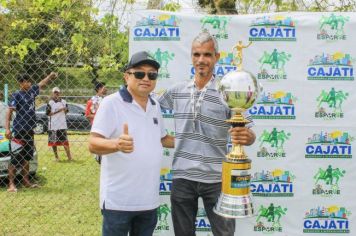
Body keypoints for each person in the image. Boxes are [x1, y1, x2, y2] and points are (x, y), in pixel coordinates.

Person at [158, 31, 256, 236]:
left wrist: (249, 137)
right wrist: (159, 137)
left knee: (225, 234)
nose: (201, 60)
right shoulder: (176, 91)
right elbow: (150, 111)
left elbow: (245, 131)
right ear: (191, 57)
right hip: (182, 176)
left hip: (218, 179)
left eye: (207, 55)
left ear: (216, 57)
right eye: (196, 54)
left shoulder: (227, 92)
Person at [88, 51, 174, 236]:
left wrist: (190, 140)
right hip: (119, 202)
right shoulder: (111, 103)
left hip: (148, 201)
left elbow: (162, 139)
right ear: (127, 76)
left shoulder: (155, 105)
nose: (146, 78)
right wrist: (117, 144)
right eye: (139, 73)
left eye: (152, 74)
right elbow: (93, 143)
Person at [5, 72, 58, 192]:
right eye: (26, 82)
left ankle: (26, 181)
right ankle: (11, 184)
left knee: (27, 156)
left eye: (29, 81)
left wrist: (50, 76)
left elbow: (41, 84)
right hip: (19, 130)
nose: (29, 83)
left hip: (30, 130)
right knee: (15, 157)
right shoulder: (16, 95)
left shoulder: (32, 91)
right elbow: (9, 111)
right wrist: (8, 128)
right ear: (21, 83)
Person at [46, 87, 72, 161]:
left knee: (65, 142)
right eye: (55, 92)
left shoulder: (64, 101)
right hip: (53, 125)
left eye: (58, 92)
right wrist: (59, 110)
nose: (56, 94)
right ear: (52, 93)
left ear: (60, 93)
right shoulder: (50, 102)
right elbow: (48, 114)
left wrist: (65, 110)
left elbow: (67, 111)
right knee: (53, 143)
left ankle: (69, 157)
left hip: (62, 125)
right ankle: (56, 157)